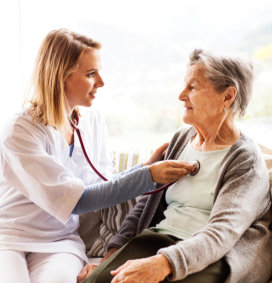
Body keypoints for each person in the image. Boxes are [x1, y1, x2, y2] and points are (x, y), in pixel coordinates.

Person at [0, 29, 194, 283]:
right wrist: (148, 176)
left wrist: (146, 167)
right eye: (91, 74)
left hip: (60, 241)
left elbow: (99, 187)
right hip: (10, 237)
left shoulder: (91, 122)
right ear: (60, 76)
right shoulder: (20, 131)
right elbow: (79, 201)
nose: (101, 82)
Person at [79, 49, 272, 283]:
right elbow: (144, 207)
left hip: (211, 255)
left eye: (193, 87)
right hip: (157, 241)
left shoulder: (246, 161)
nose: (181, 95)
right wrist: (109, 259)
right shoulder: (182, 139)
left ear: (228, 96)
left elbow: (222, 232)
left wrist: (163, 264)